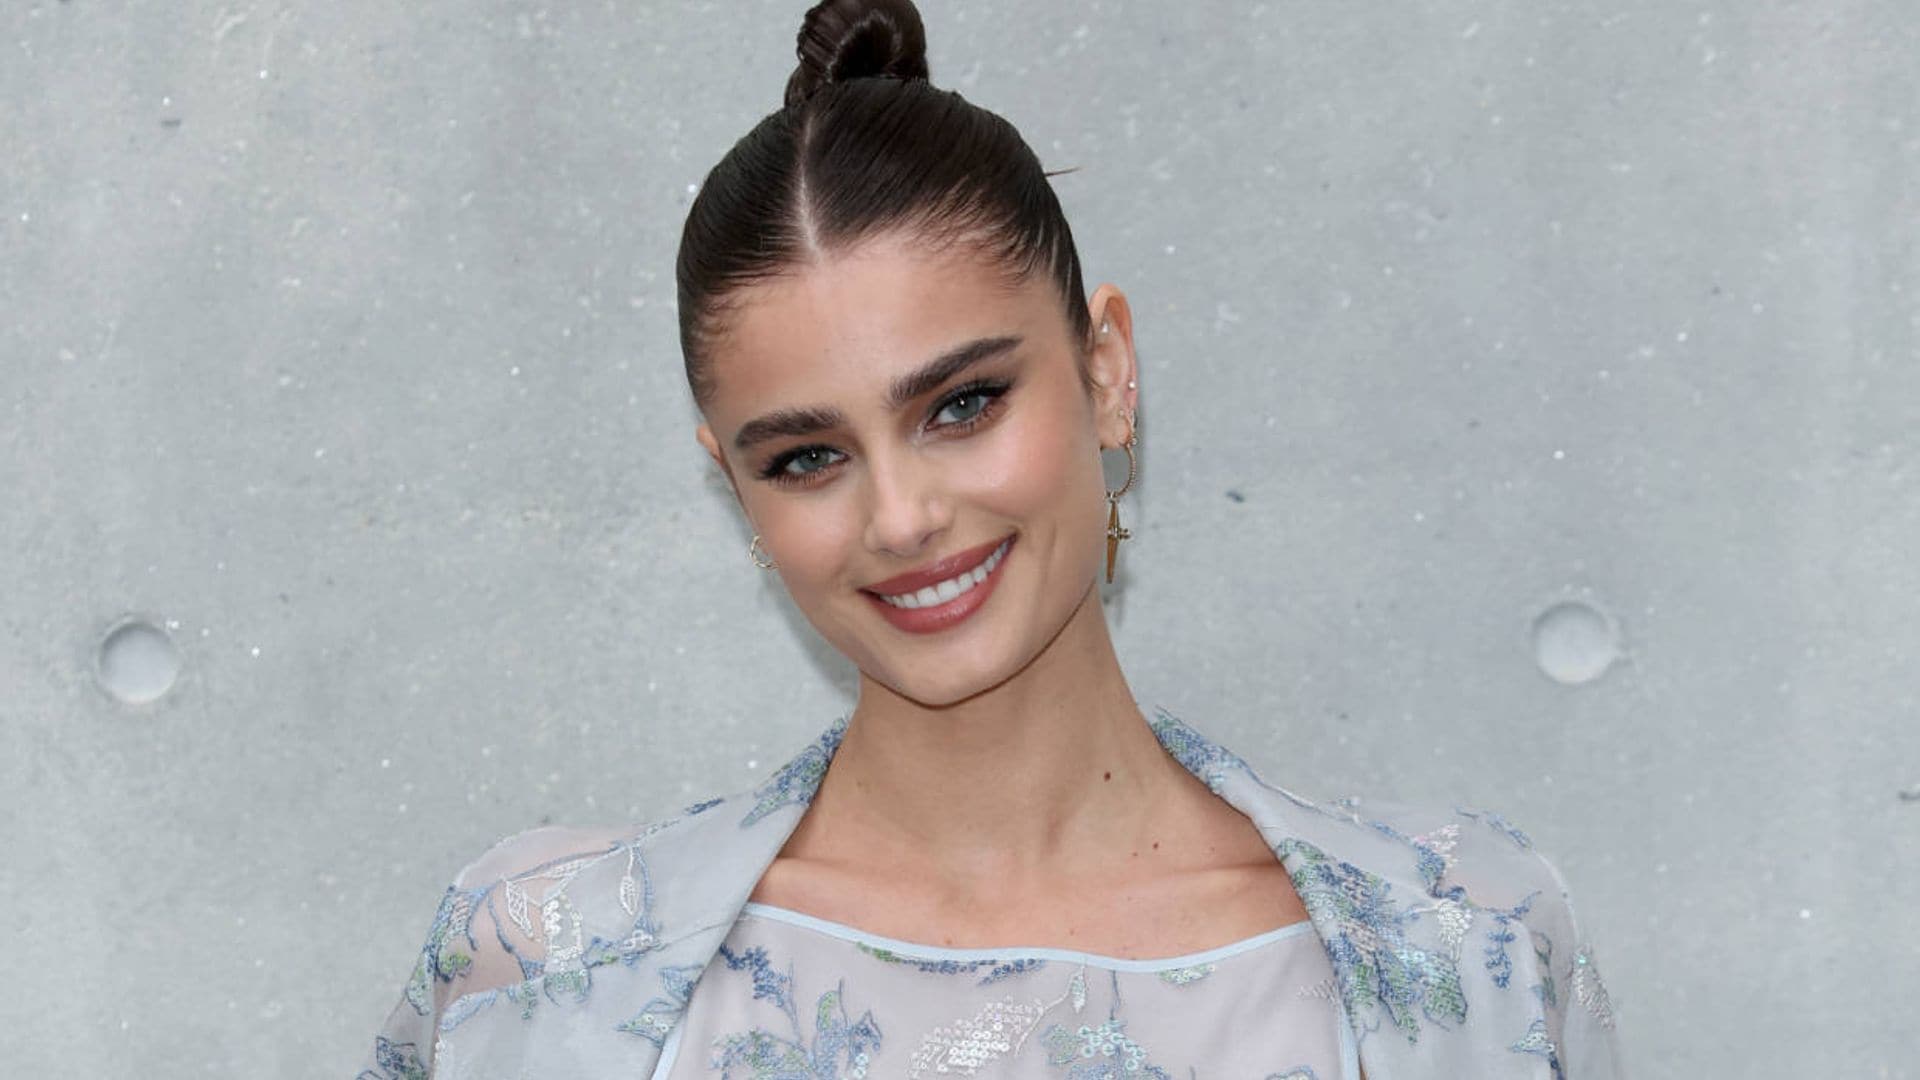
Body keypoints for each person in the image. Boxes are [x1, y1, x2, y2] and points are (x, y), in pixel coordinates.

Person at [357, 2, 1624, 1077]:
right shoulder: (540, 971)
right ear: (736, 488)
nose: (902, 517)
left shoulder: (1470, 946)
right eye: (806, 458)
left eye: (962, 405)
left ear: (1107, 370)